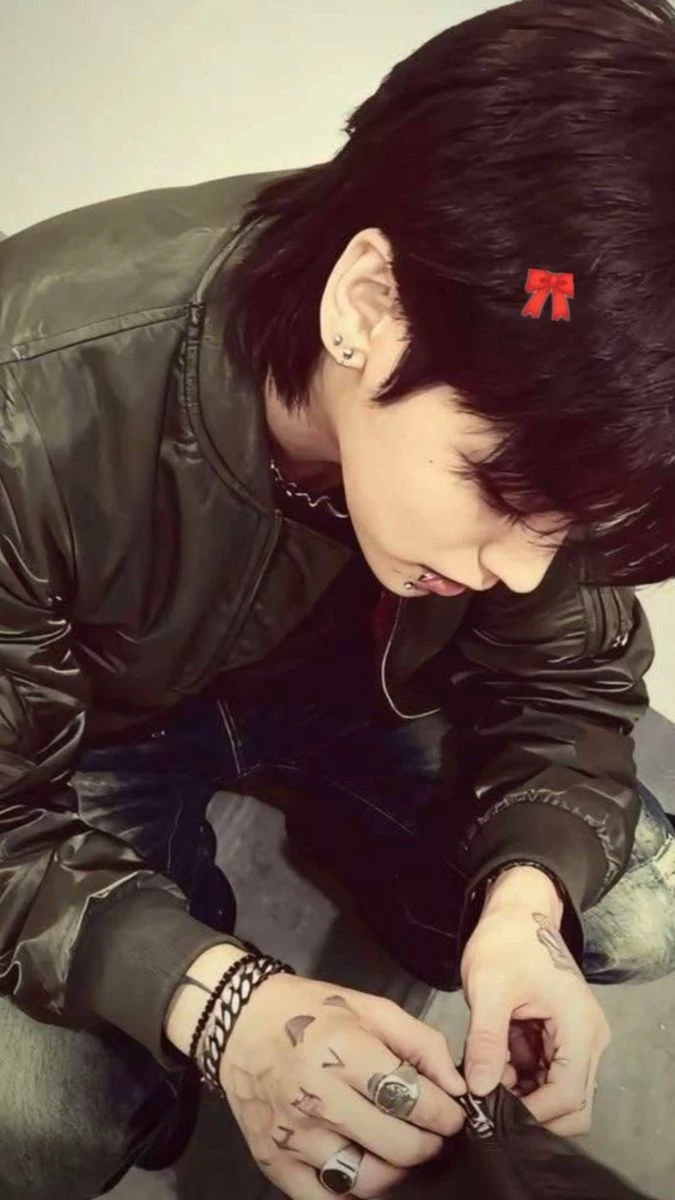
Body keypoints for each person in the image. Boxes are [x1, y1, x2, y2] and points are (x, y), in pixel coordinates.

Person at [2, 0, 675, 1196]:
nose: (525, 569)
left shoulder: (554, 364)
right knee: (43, 1123)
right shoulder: (31, 401)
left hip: (359, 690)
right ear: (367, 306)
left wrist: (523, 905)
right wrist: (223, 1008)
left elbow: (568, 680)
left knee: (635, 909)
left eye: (567, 525)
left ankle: (415, 889)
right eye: (501, 492)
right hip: (93, 727)